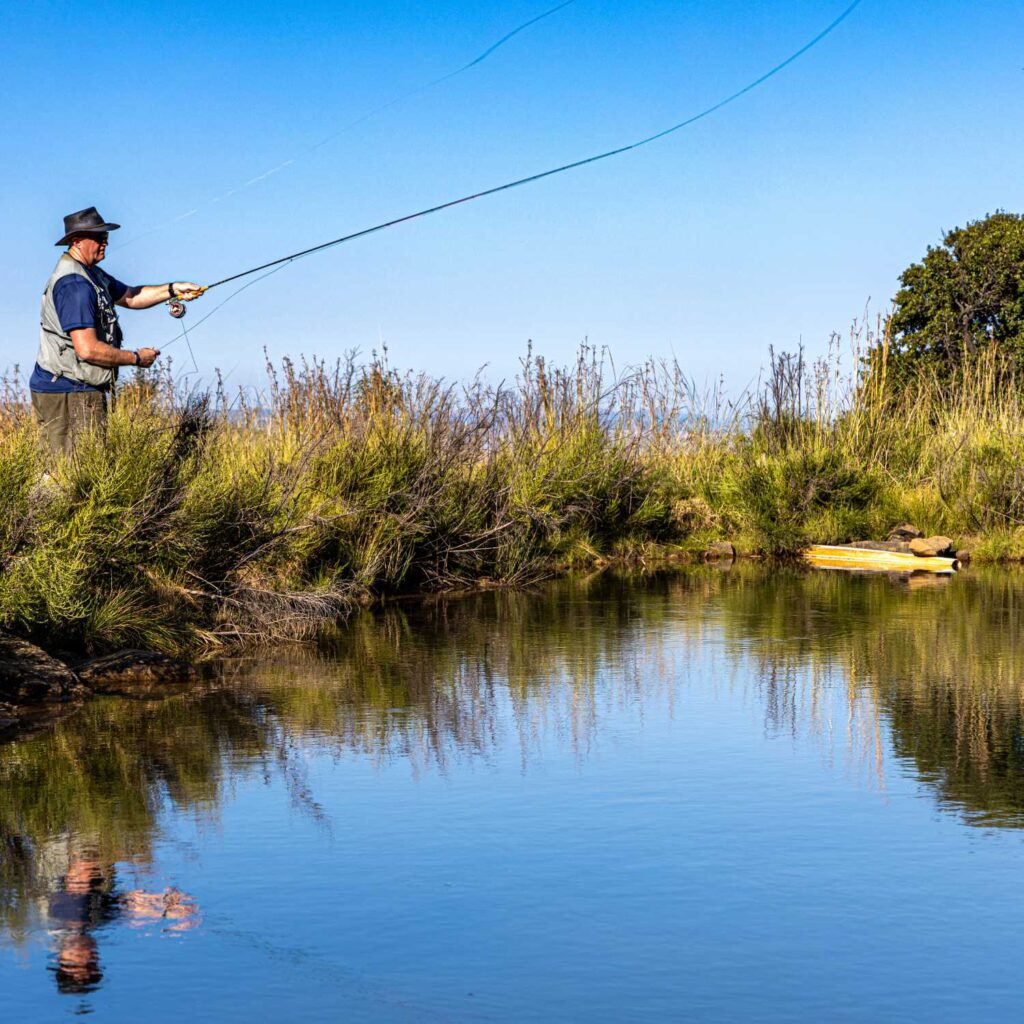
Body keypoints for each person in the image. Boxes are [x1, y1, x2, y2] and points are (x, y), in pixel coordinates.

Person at [31, 206, 203, 455]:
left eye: (106, 237)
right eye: (99, 237)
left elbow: (132, 296)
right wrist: (136, 358)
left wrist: (174, 289)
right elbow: (88, 349)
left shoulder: (92, 274)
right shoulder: (75, 285)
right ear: (77, 241)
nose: (105, 242)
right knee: (73, 473)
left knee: (88, 468)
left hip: (78, 387)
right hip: (68, 390)